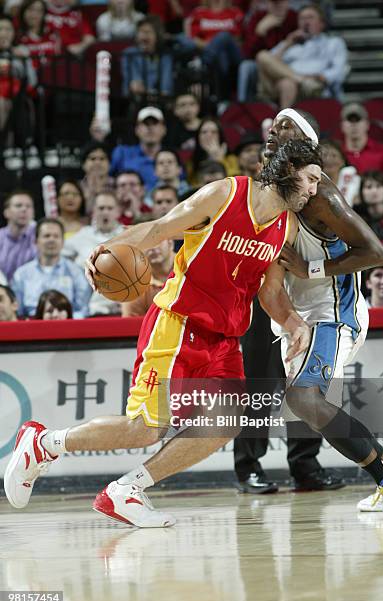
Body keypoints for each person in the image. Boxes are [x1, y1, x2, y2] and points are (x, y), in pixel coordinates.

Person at [4, 138, 323, 527]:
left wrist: (295, 325)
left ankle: (127, 490)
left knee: (229, 420)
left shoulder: (286, 226)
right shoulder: (226, 193)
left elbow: (270, 291)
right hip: (179, 322)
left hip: (224, 338)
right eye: (311, 179)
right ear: (289, 170)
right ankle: (44, 443)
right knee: (145, 429)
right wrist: (110, 246)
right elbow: (159, 229)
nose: (314, 190)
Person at [266, 109, 383, 519]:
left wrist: (313, 268)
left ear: (307, 143)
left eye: (286, 126)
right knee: (307, 409)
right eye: (273, 126)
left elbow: (376, 253)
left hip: (334, 312)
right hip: (298, 315)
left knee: (304, 398)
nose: (275, 131)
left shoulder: (322, 197)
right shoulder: (273, 189)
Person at [256, 4, 348, 108]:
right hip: (290, 84)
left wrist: (321, 77)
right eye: (302, 18)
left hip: (316, 84)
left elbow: (339, 69)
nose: (306, 21)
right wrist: (287, 44)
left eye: (310, 17)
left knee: (287, 84)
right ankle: (301, 81)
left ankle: (285, 121)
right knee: (262, 55)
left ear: (322, 23)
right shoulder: (290, 42)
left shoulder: (333, 43)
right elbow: (268, 64)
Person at [11, 217, 91, 318]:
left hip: (67, 327)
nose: (51, 240)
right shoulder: (21, 274)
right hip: (32, 329)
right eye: (46, 236)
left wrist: (63, 318)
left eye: (56, 236)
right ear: (36, 241)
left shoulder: (76, 272)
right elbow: (18, 312)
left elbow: (83, 310)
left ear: (63, 242)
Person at [63, 191, 124, 316]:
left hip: (121, 307)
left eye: (110, 208)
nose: (105, 212)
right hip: (89, 308)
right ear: (94, 211)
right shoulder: (83, 234)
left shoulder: (128, 234)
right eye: (101, 208)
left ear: (118, 211)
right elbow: (59, 254)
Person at [237, 0, 297, 102]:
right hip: (262, 67)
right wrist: (260, 31)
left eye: (281, 2)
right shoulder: (258, 18)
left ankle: (285, 117)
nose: (278, 6)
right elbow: (246, 53)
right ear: (267, 4)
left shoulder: (294, 18)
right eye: (274, 3)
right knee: (253, 61)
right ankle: (242, 105)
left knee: (287, 84)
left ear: (287, 2)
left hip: (289, 64)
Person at [110, 106, 167, 190]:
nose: (150, 128)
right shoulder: (121, 153)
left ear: (164, 129)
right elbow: (107, 178)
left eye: (155, 123)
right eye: (145, 123)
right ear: (137, 130)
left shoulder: (171, 157)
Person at [340, 102, 383, 182]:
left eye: (358, 120)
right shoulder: (337, 153)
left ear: (367, 124)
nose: (354, 125)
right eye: (350, 120)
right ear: (342, 126)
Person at [121, 16, 173, 99]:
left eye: (148, 32)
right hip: (135, 98)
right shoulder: (130, 53)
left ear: (157, 35)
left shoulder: (165, 55)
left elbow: (165, 83)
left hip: (160, 98)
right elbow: (135, 82)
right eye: (141, 31)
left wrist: (172, 38)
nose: (144, 36)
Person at [121, 239, 175, 317]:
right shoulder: (134, 286)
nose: (152, 248)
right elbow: (132, 325)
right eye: (146, 244)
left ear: (170, 243)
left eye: (157, 241)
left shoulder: (189, 265)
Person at [187, 117, 240, 186]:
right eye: (204, 132)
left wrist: (219, 160)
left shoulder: (232, 159)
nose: (209, 135)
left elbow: (234, 183)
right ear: (198, 137)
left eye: (214, 132)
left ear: (220, 136)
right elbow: (192, 186)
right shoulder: (191, 162)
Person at [0, 189, 36, 282]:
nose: (24, 209)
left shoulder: (40, 238)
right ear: (6, 212)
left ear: (33, 213)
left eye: (28, 206)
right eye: (18, 205)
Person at [16, 0, 60, 70]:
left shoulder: (53, 32)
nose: (34, 14)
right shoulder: (16, 36)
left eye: (39, 11)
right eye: (30, 9)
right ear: (23, 11)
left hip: (54, 76)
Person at [320, 139, 360, 206]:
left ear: (342, 161)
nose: (329, 159)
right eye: (324, 155)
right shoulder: (313, 184)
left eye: (334, 156)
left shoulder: (355, 181)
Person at [79, 142, 114, 215]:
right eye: (93, 158)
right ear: (83, 164)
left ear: (109, 164)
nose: (97, 162)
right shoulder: (77, 188)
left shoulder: (118, 185)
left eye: (102, 159)